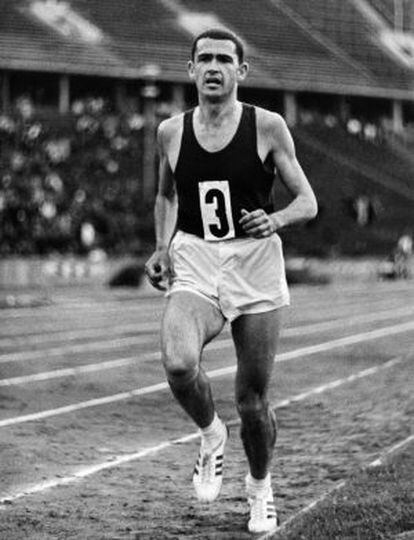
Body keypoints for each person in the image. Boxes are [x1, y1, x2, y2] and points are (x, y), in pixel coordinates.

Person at [145, 28, 318, 534]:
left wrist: (277, 219)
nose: (214, 67)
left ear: (241, 71)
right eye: (205, 59)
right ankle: (210, 434)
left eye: (225, 59)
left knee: (252, 399)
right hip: (195, 256)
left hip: (254, 262)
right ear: (192, 69)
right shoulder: (170, 132)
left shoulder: (267, 126)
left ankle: (260, 488)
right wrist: (161, 244)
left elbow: (306, 200)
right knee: (179, 363)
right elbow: (165, 196)